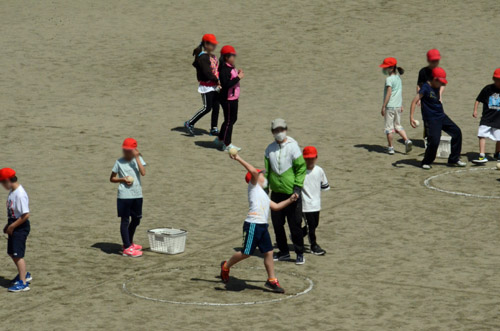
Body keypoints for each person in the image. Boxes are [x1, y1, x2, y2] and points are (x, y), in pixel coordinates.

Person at [220, 153, 299, 293]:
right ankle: (226, 266)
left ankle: (271, 280)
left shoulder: (262, 194)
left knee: (268, 252)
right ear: (255, 178)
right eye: (260, 174)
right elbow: (252, 172)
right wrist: (238, 158)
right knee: (246, 253)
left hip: (262, 226)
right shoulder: (253, 187)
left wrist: (290, 200)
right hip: (252, 225)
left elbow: (276, 207)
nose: (263, 175)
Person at [265, 118, 307, 265]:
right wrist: (265, 191)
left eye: (281, 129)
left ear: (286, 130)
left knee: (295, 224)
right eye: (276, 130)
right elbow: (267, 172)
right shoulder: (269, 149)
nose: (279, 132)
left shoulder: (293, 147)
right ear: (272, 132)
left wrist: (297, 188)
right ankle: (284, 252)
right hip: (276, 193)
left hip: (292, 194)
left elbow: (301, 168)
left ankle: (299, 252)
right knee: (277, 225)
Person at [410, 68, 466, 169]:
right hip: (431, 119)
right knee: (435, 140)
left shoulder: (437, 85)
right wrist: (411, 118)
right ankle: (426, 162)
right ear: (434, 79)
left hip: (441, 116)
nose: (441, 84)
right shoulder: (425, 88)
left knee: (457, 132)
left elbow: (443, 85)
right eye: (440, 82)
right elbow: (414, 101)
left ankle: (454, 159)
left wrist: (440, 95)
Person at [110, 138, 146, 257]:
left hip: (137, 194)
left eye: (129, 150)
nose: (126, 152)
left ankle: (129, 243)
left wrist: (136, 158)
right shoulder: (119, 162)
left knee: (136, 219)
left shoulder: (138, 159)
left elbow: (143, 172)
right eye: (125, 150)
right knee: (125, 220)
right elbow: (112, 178)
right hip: (124, 196)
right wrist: (123, 179)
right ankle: (127, 247)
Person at [1, 168, 32, 292]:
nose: (2, 186)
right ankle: (24, 274)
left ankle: (23, 283)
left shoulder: (20, 194)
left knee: (18, 255)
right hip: (13, 224)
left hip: (20, 227)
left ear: (8, 180)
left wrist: (12, 226)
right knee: (11, 252)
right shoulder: (13, 191)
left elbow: (25, 215)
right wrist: (7, 225)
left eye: (2, 183)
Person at [184, 34, 221, 137]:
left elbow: (216, 70)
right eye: (212, 44)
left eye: (215, 44)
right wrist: (216, 80)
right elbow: (207, 72)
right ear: (206, 44)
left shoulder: (213, 56)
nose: (214, 46)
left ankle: (214, 128)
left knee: (216, 107)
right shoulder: (203, 58)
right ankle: (190, 123)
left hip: (215, 86)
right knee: (207, 107)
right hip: (207, 87)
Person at [379, 57, 413, 154]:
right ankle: (407, 140)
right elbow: (399, 92)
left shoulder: (389, 79)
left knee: (389, 128)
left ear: (391, 68)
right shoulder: (398, 78)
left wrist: (383, 106)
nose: (384, 69)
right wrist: (401, 104)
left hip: (390, 106)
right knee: (398, 126)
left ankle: (390, 147)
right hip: (398, 106)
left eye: (385, 67)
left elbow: (389, 93)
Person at [301, 146, 329, 256]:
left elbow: (324, 185)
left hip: (316, 204)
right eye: (307, 158)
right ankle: (313, 245)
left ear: (316, 158)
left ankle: (297, 235)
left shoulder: (319, 170)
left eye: (312, 158)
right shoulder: (300, 171)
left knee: (315, 224)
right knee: (311, 226)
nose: (310, 160)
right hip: (305, 205)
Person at [216, 45, 244, 151]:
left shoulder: (230, 67)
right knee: (229, 121)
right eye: (232, 56)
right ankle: (227, 144)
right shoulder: (224, 69)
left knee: (232, 119)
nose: (234, 58)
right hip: (227, 99)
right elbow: (226, 84)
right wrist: (238, 78)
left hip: (233, 98)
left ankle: (220, 138)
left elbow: (230, 78)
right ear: (226, 57)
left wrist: (237, 74)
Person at [472, 68, 500, 163]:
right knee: (481, 135)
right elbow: (478, 99)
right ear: (494, 79)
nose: (499, 82)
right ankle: (482, 155)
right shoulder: (488, 89)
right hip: (487, 118)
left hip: (498, 119)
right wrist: (475, 110)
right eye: (497, 80)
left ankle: (498, 153)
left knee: (499, 137)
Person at [417, 49, 444, 139]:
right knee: (427, 121)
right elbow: (419, 86)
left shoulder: (440, 71)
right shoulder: (423, 72)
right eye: (433, 61)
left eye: (437, 60)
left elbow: (443, 85)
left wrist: (440, 96)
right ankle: (428, 139)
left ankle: (436, 137)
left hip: (436, 100)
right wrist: (419, 99)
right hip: (426, 101)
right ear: (428, 60)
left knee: (438, 119)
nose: (435, 62)